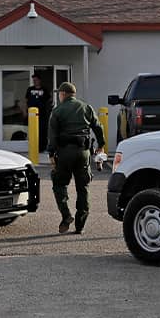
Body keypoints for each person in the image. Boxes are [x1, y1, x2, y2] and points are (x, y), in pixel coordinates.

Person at [47, 81, 105, 235]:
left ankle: (66, 216)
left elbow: (52, 135)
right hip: (83, 152)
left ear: (63, 94)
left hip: (64, 153)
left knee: (59, 184)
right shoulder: (86, 107)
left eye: (59, 93)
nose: (59, 96)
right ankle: (80, 226)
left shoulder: (57, 111)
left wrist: (51, 154)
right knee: (83, 187)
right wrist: (101, 145)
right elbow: (98, 127)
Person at [25, 73, 52, 150]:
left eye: (36, 80)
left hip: (42, 114)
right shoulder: (30, 89)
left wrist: (48, 108)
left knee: (42, 131)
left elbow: (49, 100)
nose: (34, 81)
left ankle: (42, 147)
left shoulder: (44, 89)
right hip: (32, 114)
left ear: (39, 80)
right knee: (33, 131)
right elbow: (26, 100)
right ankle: (33, 147)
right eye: (33, 80)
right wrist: (25, 111)